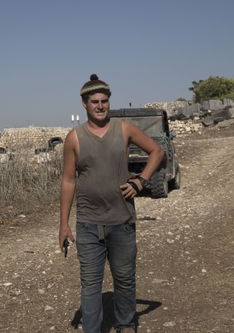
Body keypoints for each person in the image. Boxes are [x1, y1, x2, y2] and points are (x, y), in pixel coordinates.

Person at [58, 74, 165, 333]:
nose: (100, 106)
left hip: (122, 222)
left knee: (125, 281)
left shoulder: (124, 129)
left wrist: (141, 181)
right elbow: (69, 181)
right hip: (88, 225)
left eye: (104, 101)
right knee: (91, 285)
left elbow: (157, 152)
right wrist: (63, 224)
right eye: (94, 101)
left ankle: (126, 324)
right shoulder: (74, 138)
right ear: (84, 104)